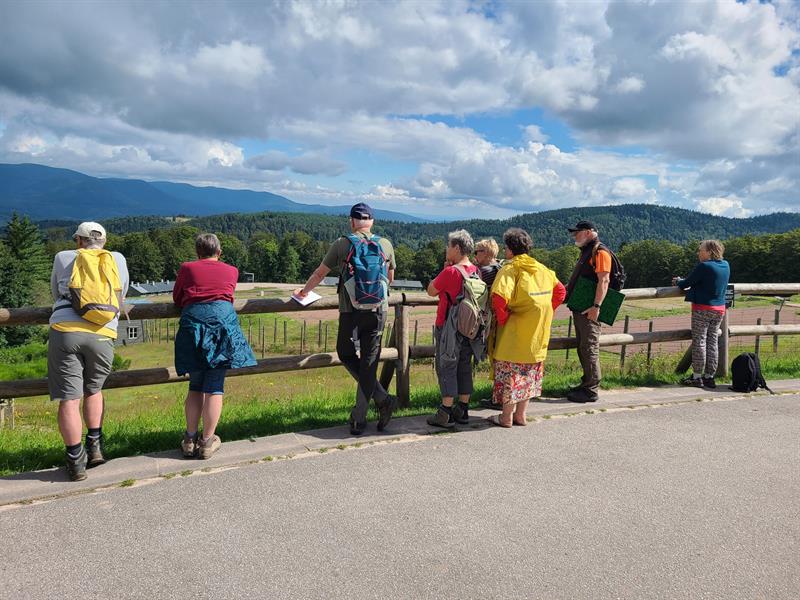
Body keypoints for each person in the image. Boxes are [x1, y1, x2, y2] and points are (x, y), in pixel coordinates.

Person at [294, 203, 397, 436]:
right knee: (369, 363)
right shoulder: (386, 244)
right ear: (372, 222)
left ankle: (360, 418)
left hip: (350, 311)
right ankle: (381, 400)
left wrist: (303, 292)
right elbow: (390, 277)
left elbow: (320, 273)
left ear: (352, 221)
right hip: (379, 311)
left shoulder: (342, 244)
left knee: (346, 353)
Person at [48, 221, 129, 481]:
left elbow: (55, 291)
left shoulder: (62, 257)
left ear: (79, 241)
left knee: (69, 399)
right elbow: (121, 293)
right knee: (93, 390)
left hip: (65, 329)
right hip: (103, 331)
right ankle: (95, 447)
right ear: (103, 242)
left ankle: (75, 462)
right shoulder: (117, 259)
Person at [173, 233, 256, 459]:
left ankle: (189, 440)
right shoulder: (231, 270)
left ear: (198, 252)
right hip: (222, 326)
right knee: (214, 385)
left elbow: (177, 298)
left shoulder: (187, 268)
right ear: (219, 252)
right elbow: (228, 296)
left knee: (195, 384)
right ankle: (207, 442)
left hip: (193, 327)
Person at [486, 228, 566, 426]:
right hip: (537, 334)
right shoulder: (542, 268)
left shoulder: (510, 268)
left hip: (514, 335)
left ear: (510, 250)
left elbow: (498, 297)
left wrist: (504, 319)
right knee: (529, 374)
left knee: (510, 374)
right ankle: (520, 416)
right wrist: (546, 313)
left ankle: (506, 417)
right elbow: (560, 291)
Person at [426, 230, 483, 428]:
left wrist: (442, 272)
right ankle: (463, 409)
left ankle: (446, 412)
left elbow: (431, 290)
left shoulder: (451, 272)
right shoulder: (476, 271)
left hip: (449, 326)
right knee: (464, 365)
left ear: (457, 248)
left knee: (446, 366)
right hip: (470, 328)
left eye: (449, 246)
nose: (446, 249)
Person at [564, 220, 612, 403]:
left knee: (590, 347)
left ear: (588, 232)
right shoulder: (588, 251)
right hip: (582, 307)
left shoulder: (600, 252)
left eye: (577, 232)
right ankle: (586, 384)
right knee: (584, 346)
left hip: (590, 309)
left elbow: (604, 281)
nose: (574, 236)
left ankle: (591, 389)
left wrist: (596, 307)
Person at [672, 240, 730, 388]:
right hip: (719, 309)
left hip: (702, 309)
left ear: (710, 251)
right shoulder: (726, 265)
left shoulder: (704, 266)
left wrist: (678, 280)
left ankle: (697, 377)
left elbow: (686, 283)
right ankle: (709, 377)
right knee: (712, 342)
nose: (698, 253)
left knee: (700, 341)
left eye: (701, 250)